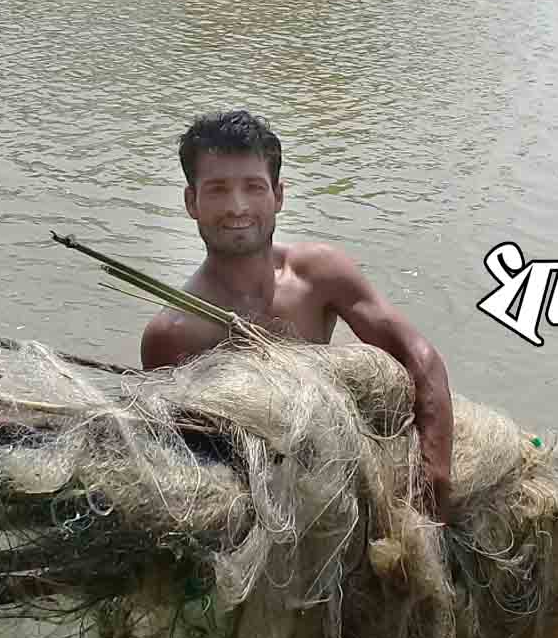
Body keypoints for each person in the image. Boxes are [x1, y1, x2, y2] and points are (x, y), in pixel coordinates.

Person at [139, 110, 454, 519]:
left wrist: (435, 469)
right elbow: (178, 457)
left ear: (279, 196)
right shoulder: (173, 333)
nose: (237, 207)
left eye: (253, 187)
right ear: (191, 202)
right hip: (261, 503)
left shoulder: (319, 275)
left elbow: (418, 356)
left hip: (339, 465)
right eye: (217, 190)